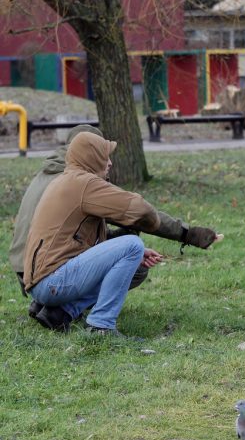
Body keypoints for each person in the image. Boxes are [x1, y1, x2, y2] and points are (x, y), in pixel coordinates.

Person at [22, 131, 218, 336]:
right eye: (104, 156)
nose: (110, 163)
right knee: (133, 245)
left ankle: (61, 312)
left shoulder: (66, 180)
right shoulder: (84, 184)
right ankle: (101, 326)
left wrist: (125, 254)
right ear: (92, 158)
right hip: (52, 282)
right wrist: (185, 233)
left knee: (136, 266)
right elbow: (139, 208)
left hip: (42, 283)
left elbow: (78, 242)